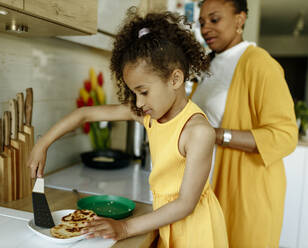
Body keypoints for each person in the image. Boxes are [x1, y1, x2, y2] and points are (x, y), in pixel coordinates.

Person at [28, 9, 229, 247]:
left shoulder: (197, 132)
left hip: (197, 232)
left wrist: (124, 228)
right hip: (166, 221)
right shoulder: (149, 116)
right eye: (135, 93)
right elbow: (85, 114)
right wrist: (42, 143)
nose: (139, 102)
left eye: (143, 92)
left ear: (175, 80)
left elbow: (185, 204)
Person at [192, 0, 298, 247]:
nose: (206, 28)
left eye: (214, 19)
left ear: (240, 19)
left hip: (246, 197)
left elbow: (285, 135)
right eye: (202, 23)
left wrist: (216, 135)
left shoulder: (260, 64)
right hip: (210, 190)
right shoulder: (209, 65)